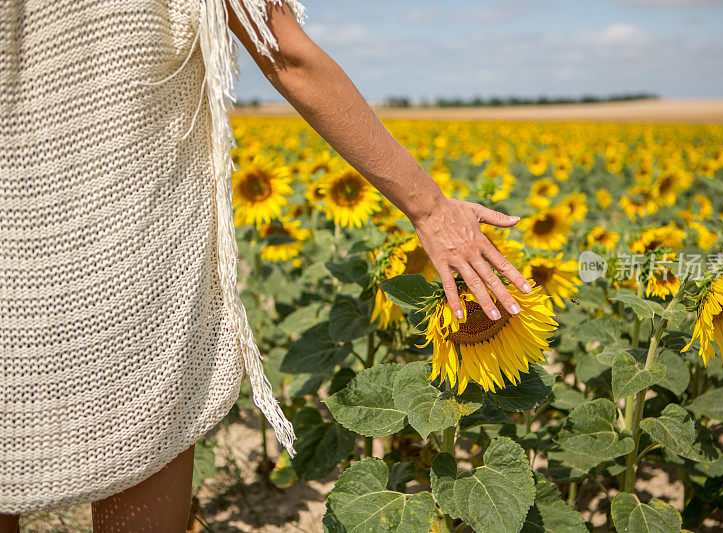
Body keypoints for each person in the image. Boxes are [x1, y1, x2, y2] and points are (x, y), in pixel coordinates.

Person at [0, 1, 531, 531]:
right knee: (145, 430)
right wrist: (430, 207)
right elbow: (285, 53)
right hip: (131, 227)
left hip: (20, 226)